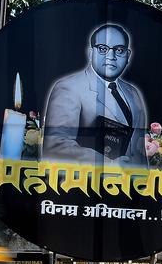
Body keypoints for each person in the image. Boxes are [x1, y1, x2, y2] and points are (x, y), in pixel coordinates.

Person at [42, 23, 150, 167]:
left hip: (133, 186)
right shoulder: (69, 87)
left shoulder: (133, 93)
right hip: (86, 185)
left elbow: (139, 150)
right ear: (90, 52)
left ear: (128, 55)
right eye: (103, 49)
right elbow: (56, 146)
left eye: (119, 50)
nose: (111, 56)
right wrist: (108, 165)